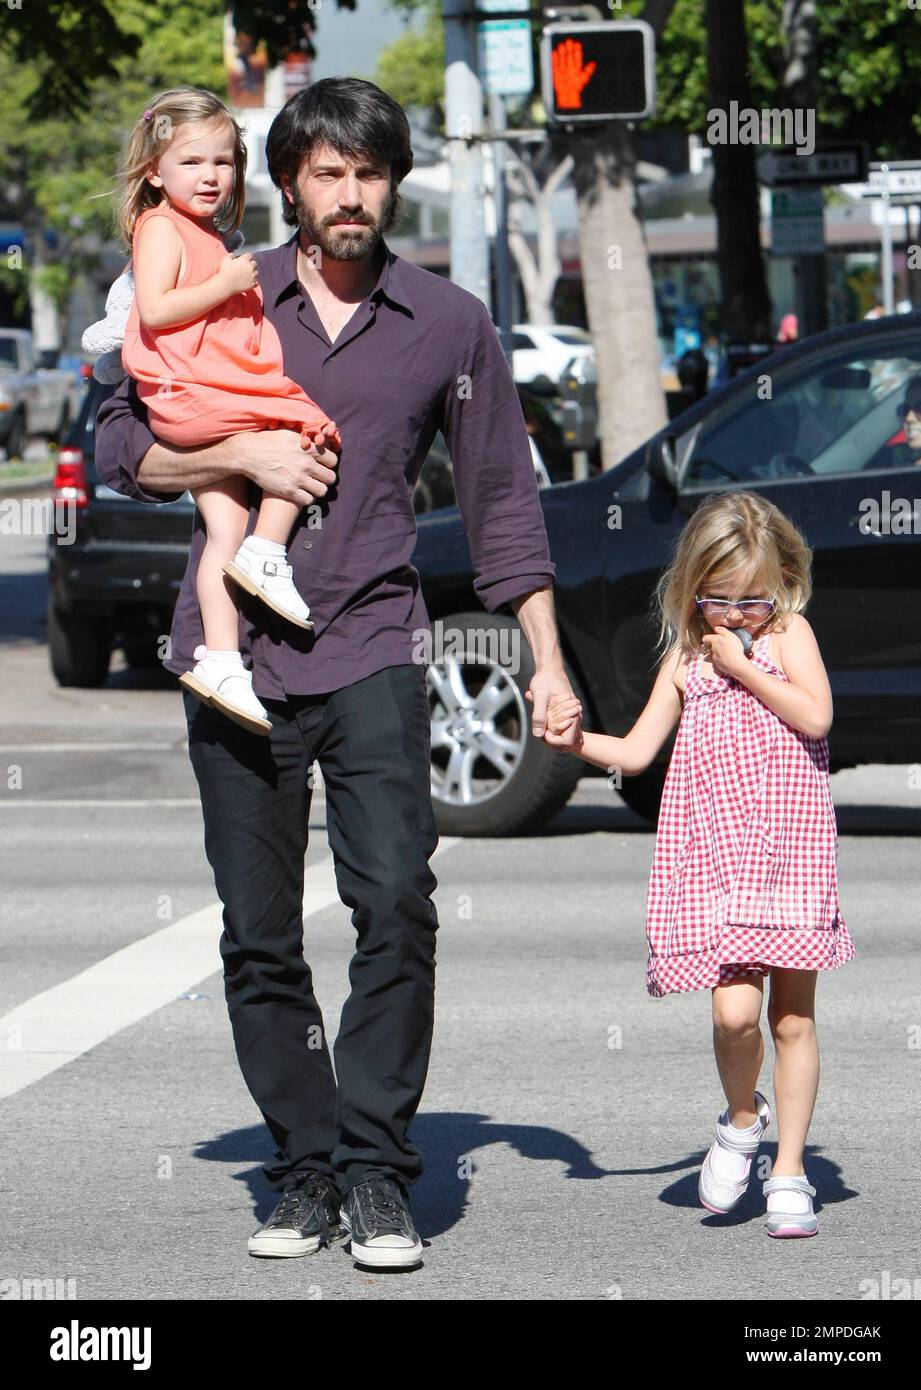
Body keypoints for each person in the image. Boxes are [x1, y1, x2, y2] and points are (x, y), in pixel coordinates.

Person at [94, 76, 581, 1269]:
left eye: (368, 173)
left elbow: (503, 504)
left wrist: (550, 666)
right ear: (292, 185)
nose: (348, 193)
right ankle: (301, 1169)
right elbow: (112, 441)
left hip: (372, 642)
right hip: (236, 660)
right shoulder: (220, 286)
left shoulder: (450, 323)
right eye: (326, 173)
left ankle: (375, 1171)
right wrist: (238, 446)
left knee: (396, 905)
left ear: (393, 183)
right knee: (258, 933)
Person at [544, 490, 854, 1239]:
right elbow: (637, 751)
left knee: (789, 1019)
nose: (737, 615)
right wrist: (574, 742)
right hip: (714, 854)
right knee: (732, 1012)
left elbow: (815, 716)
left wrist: (745, 663)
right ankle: (740, 1121)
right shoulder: (687, 658)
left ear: (780, 578)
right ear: (691, 589)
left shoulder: (787, 635)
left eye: (753, 598)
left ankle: (787, 1171)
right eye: (719, 601)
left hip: (789, 849)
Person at [98, 87, 343, 734]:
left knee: (221, 533)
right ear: (154, 171)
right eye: (192, 162)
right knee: (306, 425)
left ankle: (221, 660)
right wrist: (226, 284)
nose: (210, 176)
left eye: (223, 162)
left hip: (198, 396)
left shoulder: (202, 231)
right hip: (194, 396)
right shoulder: (161, 228)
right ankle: (270, 551)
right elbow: (155, 310)